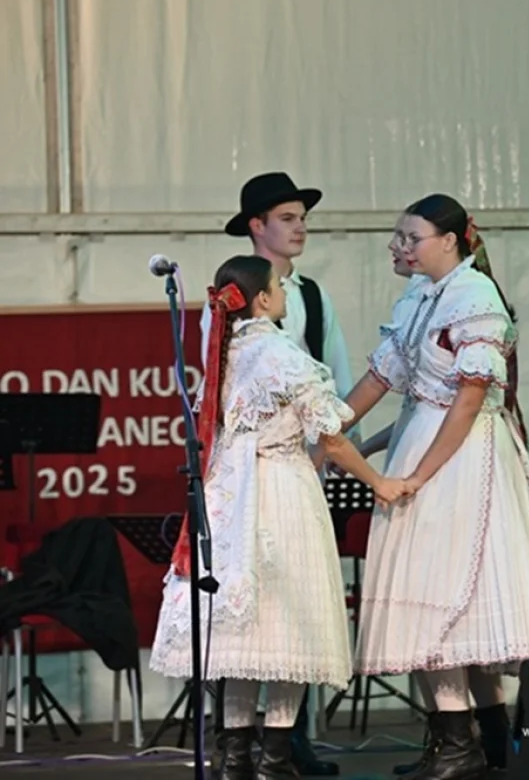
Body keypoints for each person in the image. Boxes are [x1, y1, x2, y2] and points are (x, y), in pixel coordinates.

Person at [149, 255, 406, 779]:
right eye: (278, 287)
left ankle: (235, 759)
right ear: (263, 299)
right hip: (282, 493)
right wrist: (379, 482)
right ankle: (275, 759)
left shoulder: (223, 353)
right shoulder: (282, 354)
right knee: (292, 625)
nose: (286, 292)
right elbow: (332, 439)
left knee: (247, 640)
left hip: (232, 496)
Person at [336, 193, 529, 780]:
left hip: (463, 458)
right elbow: (381, 377)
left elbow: (467, 401)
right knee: (428, 593)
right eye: (399, 237)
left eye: (411, 237)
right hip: (422, 441)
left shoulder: (474, 297)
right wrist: (331, 431)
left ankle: (467, 745)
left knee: (450, 593)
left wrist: (418, 474)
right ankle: (462, 741)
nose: (400, 247)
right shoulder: (420, 295)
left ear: (449, 241)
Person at [199, 171, 355, 776]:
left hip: (302, 468)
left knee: (298, 602)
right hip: (251, 475)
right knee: (250, 605)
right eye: (287, 218)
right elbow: (219, 385)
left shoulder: (312, 296)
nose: (300, 228)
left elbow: (334, 380)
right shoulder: (229, 299)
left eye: (302, 218)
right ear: (256, 226)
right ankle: (242, 745)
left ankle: (287, 744)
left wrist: (323, 453)